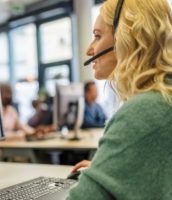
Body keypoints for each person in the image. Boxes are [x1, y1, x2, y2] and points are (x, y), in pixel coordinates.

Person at [68, 0, 172, 199]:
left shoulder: (146, 109)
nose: (89, 50)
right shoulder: (164, 97)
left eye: (97, 36)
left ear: (127, 38)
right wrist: (112, 168)